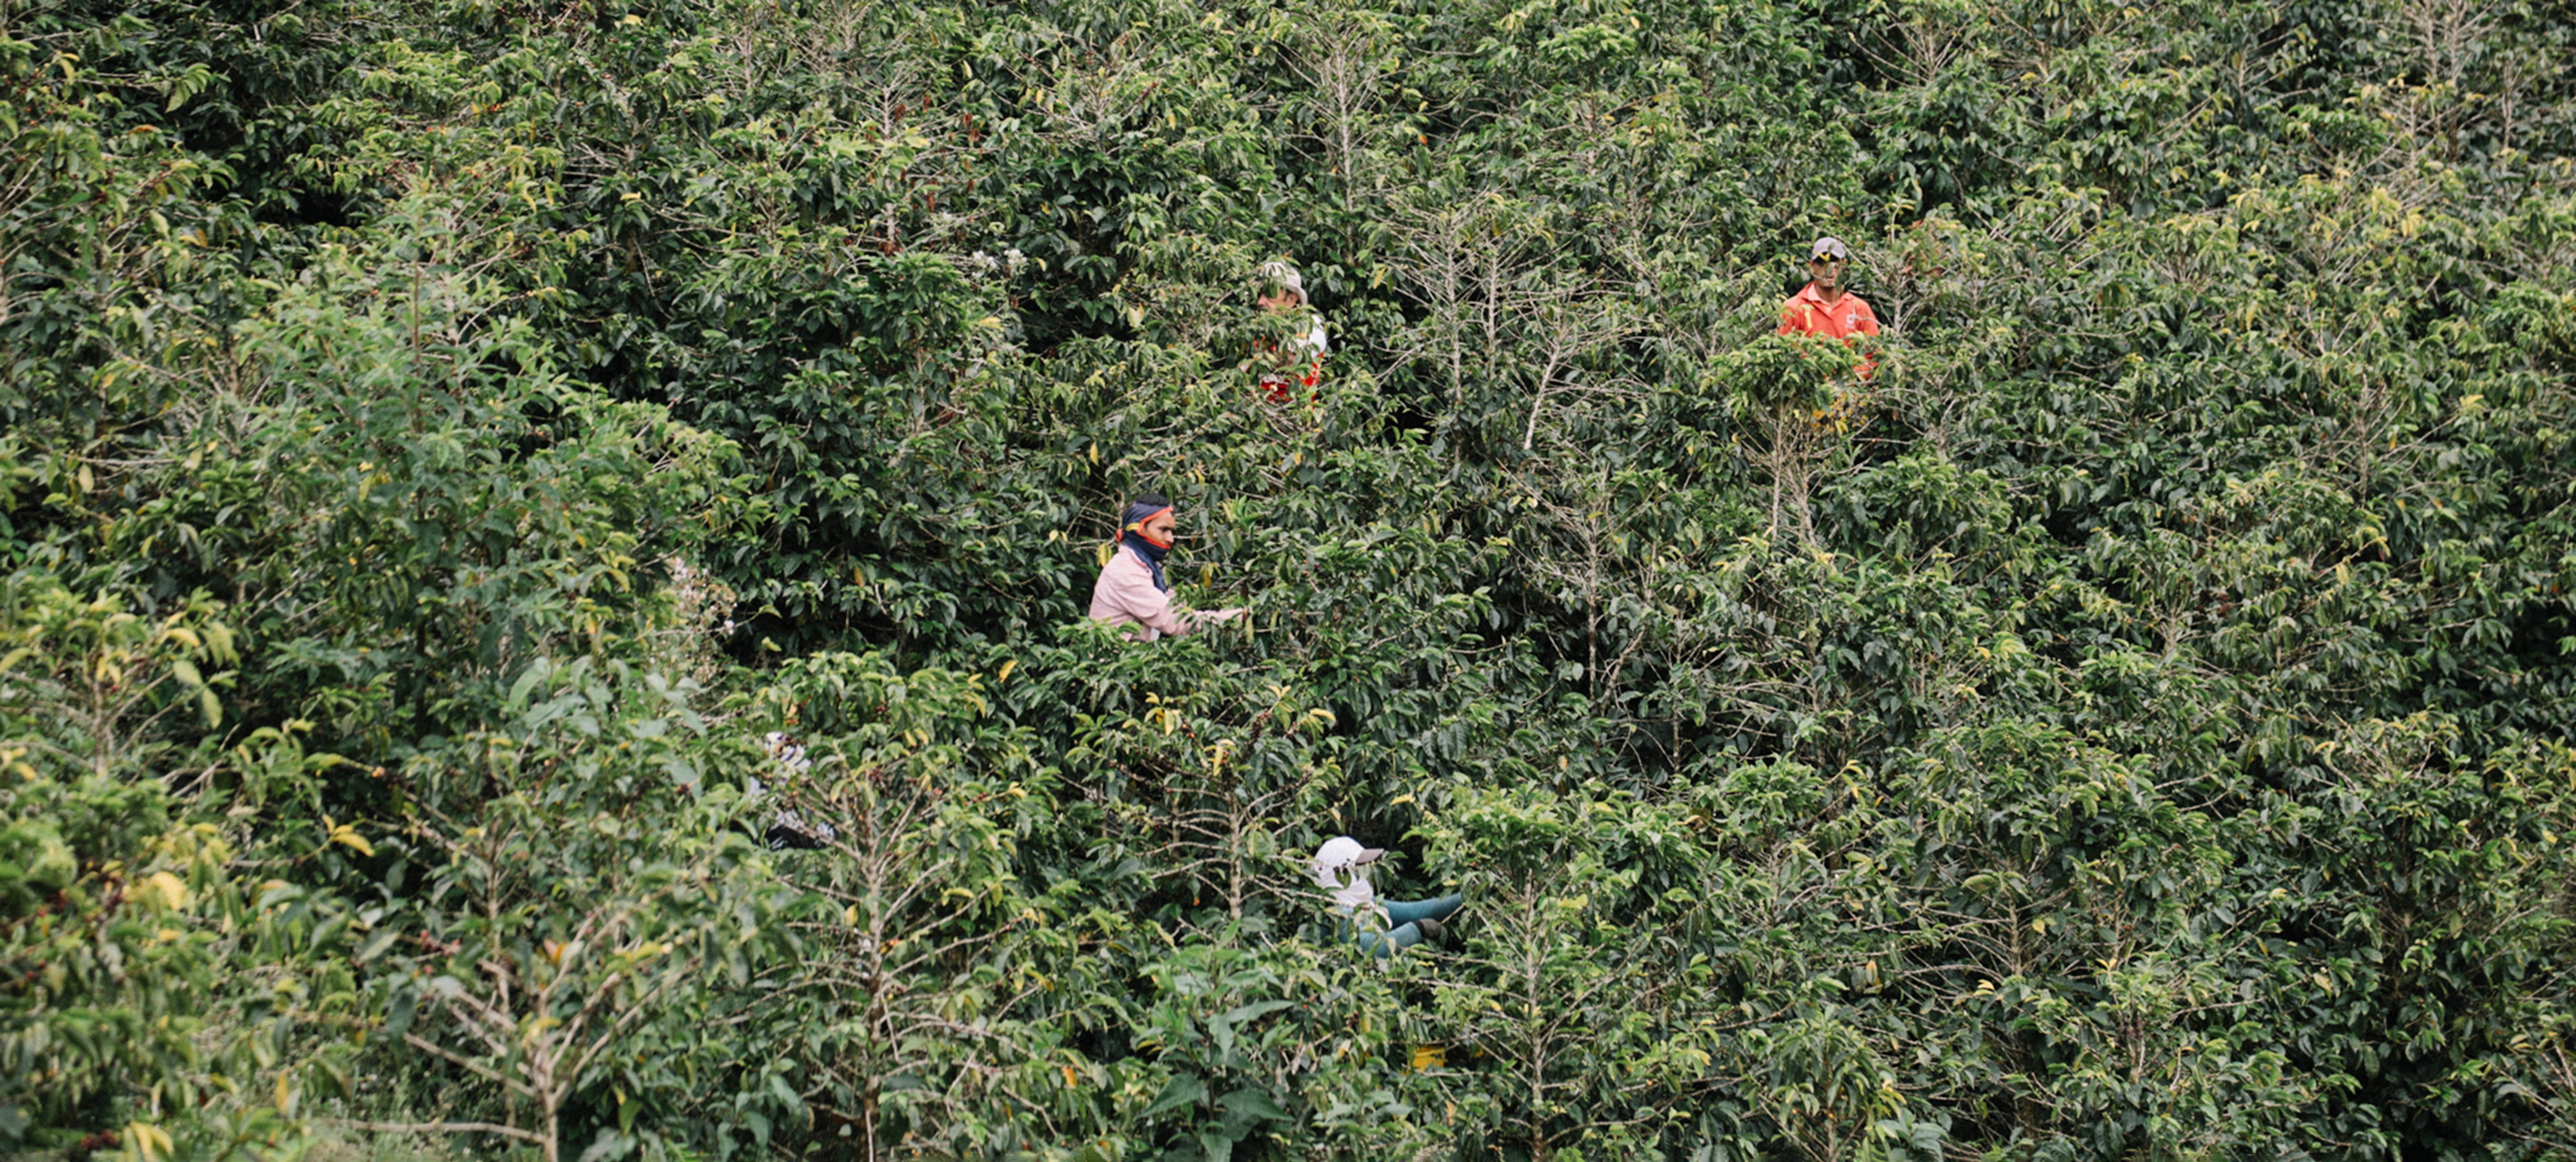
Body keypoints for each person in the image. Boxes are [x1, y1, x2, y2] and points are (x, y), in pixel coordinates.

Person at [1088, 494, 1245, 642]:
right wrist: (1239, 618)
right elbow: (1176, 621)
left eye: (1171, 531)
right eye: (1163, 530)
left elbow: (1173, 605)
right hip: (1114, 666)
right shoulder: (1126, 572)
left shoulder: (1146, 567)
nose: (1170, 539)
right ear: (1139, 529)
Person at [1311, 836, 1464, 957]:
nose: (1365, 873)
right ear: (1338, 873)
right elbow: (1373, 948)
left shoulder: (1360, 903)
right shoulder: (1335, 914)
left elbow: (1414, 911)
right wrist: (1418, 929)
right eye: (1358, 867)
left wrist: (1465, 897)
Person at [1778, 236, 1880, 381]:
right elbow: (1783, 357)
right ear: (1812, 266)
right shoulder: (1794, 308)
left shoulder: (1859, 308)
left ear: (1844, 266)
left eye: (1834, 262)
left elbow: (1874, 358)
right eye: (1822, 263)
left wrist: (1847, 380)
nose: (1829, 269)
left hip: (1851, 397)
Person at [1251, 259, 1329, 404]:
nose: (1260, 302)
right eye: (1260, 294)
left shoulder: (1310, 325)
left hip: (1291, 418)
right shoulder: (1255, 328)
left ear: (1292, 299)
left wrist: (1258, 355)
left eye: (1269, 294)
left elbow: (1293, 359)